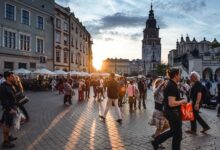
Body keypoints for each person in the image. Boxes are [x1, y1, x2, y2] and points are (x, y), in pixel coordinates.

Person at [151, 68, 187, 150]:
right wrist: (182, 101)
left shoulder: (171, 84)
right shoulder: (171, 86)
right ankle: (157, 141)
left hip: (171, 112)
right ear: (176, 75)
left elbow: (171, 99)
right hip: (173, 113)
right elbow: (171, 103)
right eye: (179, 74)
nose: (180, 76)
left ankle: (156, 141)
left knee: (174, 132)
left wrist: (179, 99)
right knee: (177, 135)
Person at [0, 71, 18, 148]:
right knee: (6, 125)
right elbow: (3, 100)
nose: (13, 77)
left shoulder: (11, 85)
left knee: (9, 124)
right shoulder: (3, 87)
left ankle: (9, 137)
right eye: (12, 76)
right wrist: (9, 109)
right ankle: (5, 141)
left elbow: (16, 92)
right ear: (7, 77)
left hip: (13, 107)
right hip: (8, 109)